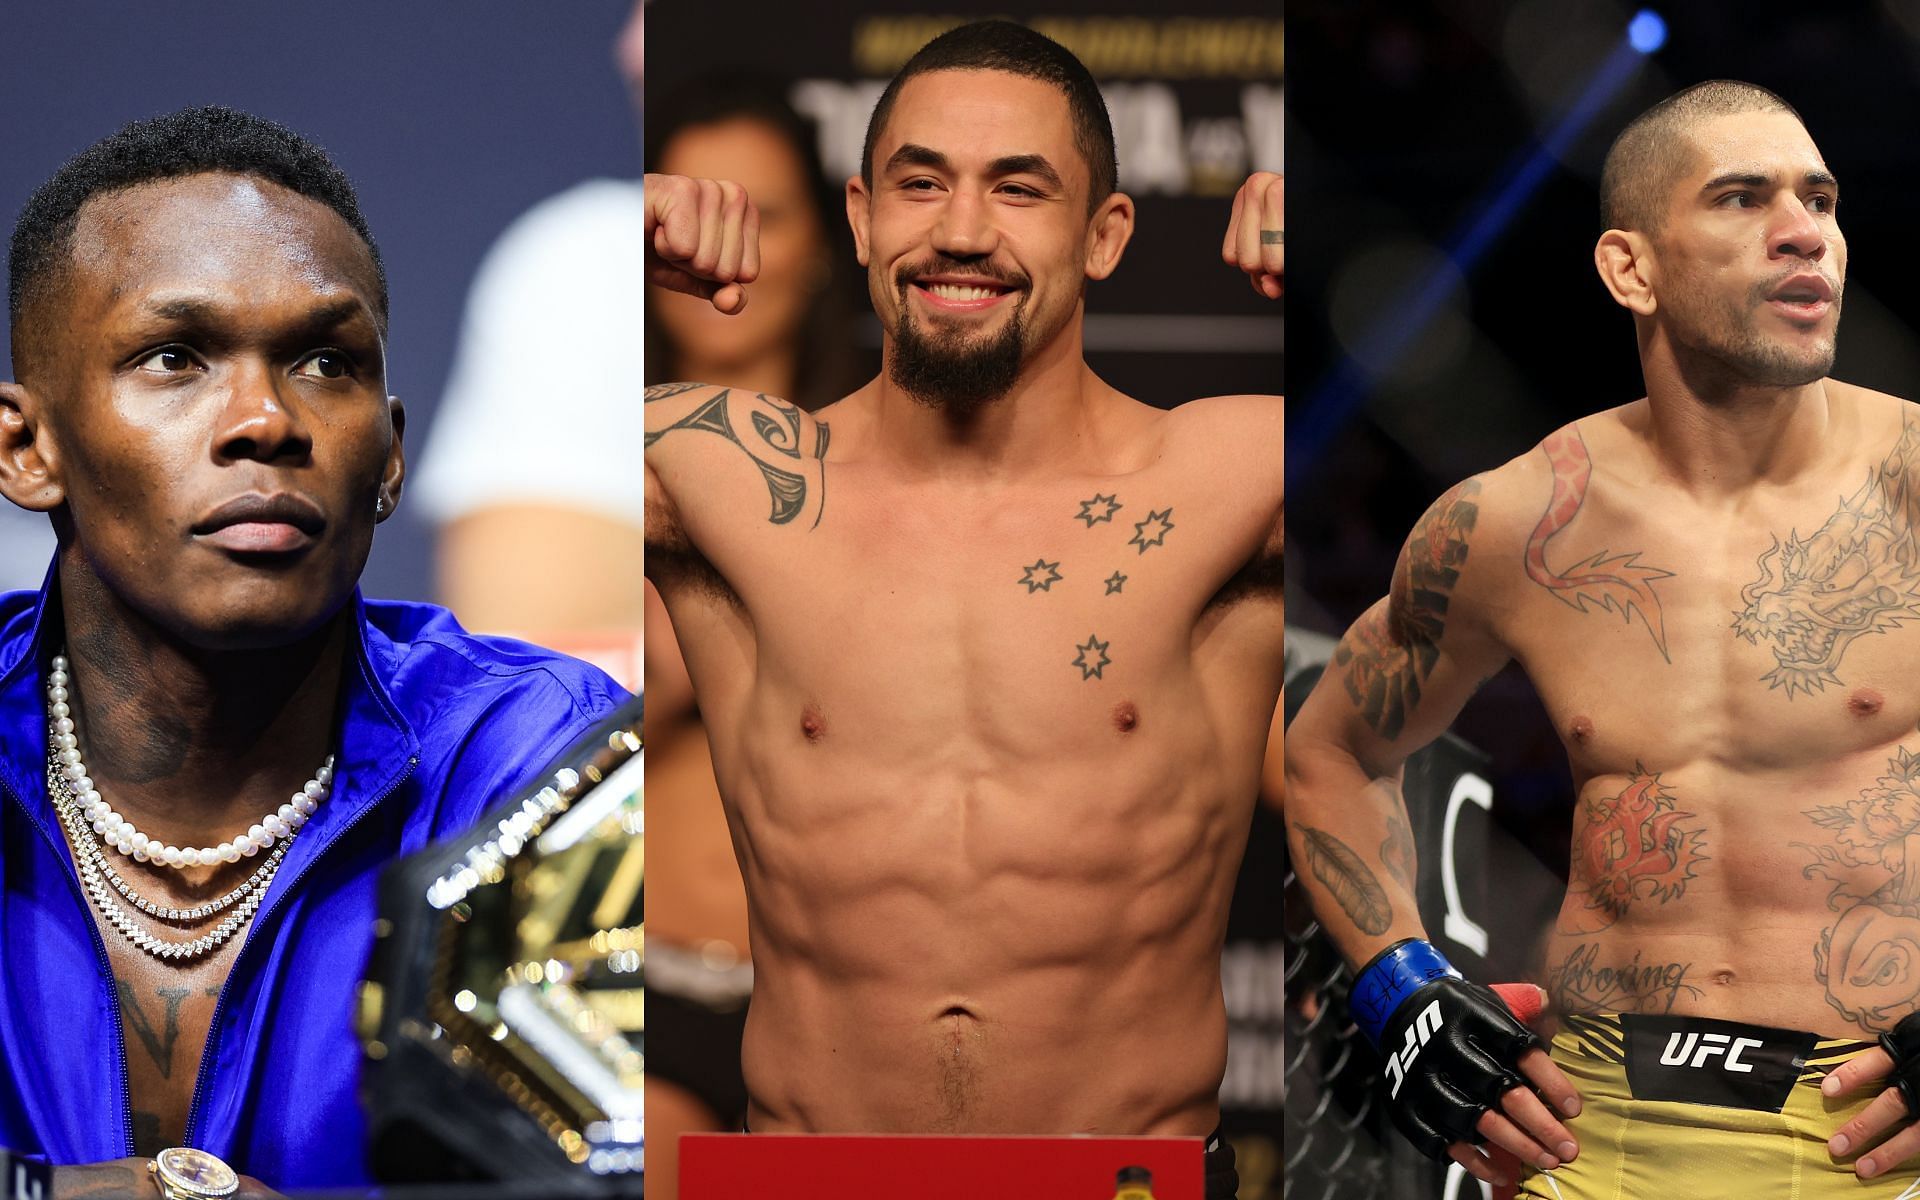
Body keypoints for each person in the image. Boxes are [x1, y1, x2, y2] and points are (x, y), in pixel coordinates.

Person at [644, 20, 1281, 1200]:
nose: (962, 232)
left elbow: (1502, 530)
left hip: (1124, 1184)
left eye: (1019, 189)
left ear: (1106, 236)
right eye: (920, 182)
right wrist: (611, 229)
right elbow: (408, 475)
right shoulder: (729, 477)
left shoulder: (1226, 478)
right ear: (859, 217)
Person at [1285, 80, 1920, 1195]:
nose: (1802, 230)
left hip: (1874, 1135)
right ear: (1631, 269)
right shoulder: (1519, 523)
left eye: (1819, 198)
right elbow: (1334, 751)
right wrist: (1402, 985)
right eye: (1741, 197)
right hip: (1592, 1134)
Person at [0, 106, 628, 1195]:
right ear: (27, 449)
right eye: (174, 357)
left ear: (390, 456)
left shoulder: (544, 764)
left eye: (324, 363)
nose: (265, 420)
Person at [640, 75, 869, 1200]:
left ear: (828, 246)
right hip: (647, 997)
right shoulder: (600, 465)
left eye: (763, 214)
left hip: (851, 1009)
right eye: (693, 213)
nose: (723, 247)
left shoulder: (896, 472)